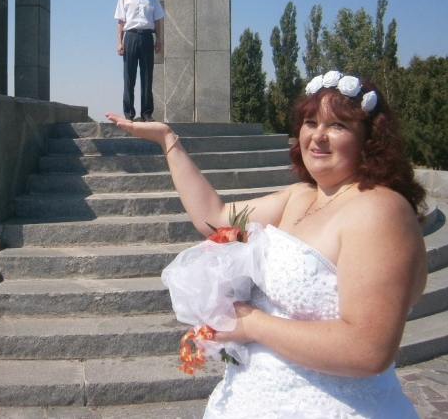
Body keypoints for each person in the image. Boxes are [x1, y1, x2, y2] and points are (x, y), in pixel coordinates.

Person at [106, 71, 427, 418]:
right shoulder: (299, 196)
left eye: (338, 126)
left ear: (369, 138)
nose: (318, 136)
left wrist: (251, 324)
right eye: (310, 122)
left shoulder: (380, 210)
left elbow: (368, 350)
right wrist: (168, 141)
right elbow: (214, 216)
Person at [114, 0, 164, 121]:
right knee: (129, 76)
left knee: (147, 77)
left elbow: (157, 21)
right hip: (131, 37)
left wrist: (159, 40)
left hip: (147, 37)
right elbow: (121, 22)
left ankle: (147, 114)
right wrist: (119, 42)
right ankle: (129, 113)